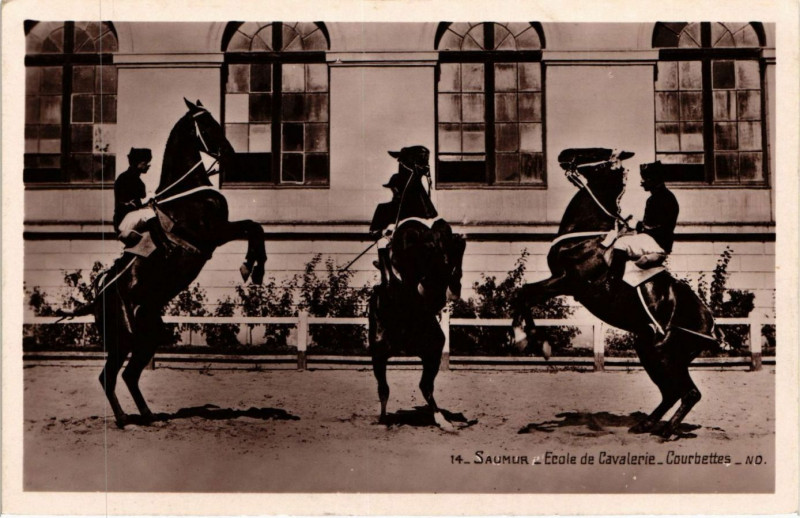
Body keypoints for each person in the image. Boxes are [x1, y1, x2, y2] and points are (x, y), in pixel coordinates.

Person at [369, 146, 436, 286]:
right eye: (394, 188)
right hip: (390, 239)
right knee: (381, 243)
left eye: (398, 187)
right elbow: (374, 232)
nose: (396, 191)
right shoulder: (384, 209)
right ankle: (387, 276)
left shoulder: (413, 206)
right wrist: (384, 231)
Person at [614, 160, 679, 268]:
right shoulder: (661, 197)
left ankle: (612, 283)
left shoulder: (661, 199)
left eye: (644, 178)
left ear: (653, 179)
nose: (641, 182)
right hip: (658, 241)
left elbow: (655, 227)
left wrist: (635, 225)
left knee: (621, 243)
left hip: (657, 243)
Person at [114, 148, 168, 255]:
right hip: (123, 221)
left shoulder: (140, 183)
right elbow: (125, 204)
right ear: (137, 163)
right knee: (148, 213)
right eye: (145, 163)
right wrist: (146, 200)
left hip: (132, 218)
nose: (148, 165)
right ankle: (165, 247)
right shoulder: (123, 178)